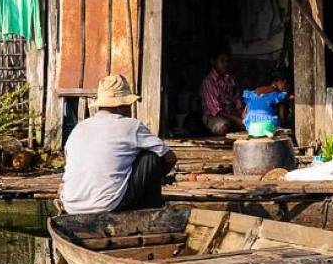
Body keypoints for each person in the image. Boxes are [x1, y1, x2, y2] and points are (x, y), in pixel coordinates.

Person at [60, 74, 177, 214]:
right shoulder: (130, 126)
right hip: (108, 205)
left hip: (71, 205)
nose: (130, 109)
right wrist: (158, 176)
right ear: (120, 106)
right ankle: (150, 211)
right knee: (152, 156)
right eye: (128, 105)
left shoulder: (79, 128)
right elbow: (170, 157)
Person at [200, 50, 244, 135]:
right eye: (222, 61)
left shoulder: (231, 79)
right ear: (213, 62)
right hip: (214, 116)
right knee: (223, 126)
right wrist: (237, 120)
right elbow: (216, 110)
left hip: (232, 114)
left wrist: (243, 114)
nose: (226, 64)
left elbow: (237, 100)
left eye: (227, 61)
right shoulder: (209, 82)